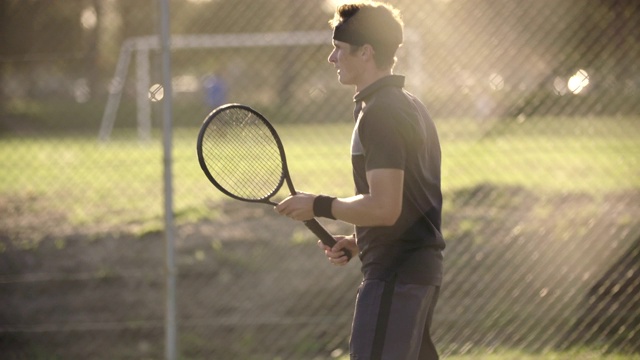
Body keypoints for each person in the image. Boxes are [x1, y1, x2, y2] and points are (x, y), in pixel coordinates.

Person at [275, 2, 445, 359]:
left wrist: (318, 204)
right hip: (412, 272)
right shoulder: (405, 104)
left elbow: (385, 207)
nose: (331, 58)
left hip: (396, 277)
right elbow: (406, 204)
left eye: (339, 49)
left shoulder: (381, 113)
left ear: (366, 52)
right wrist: (359, 240)